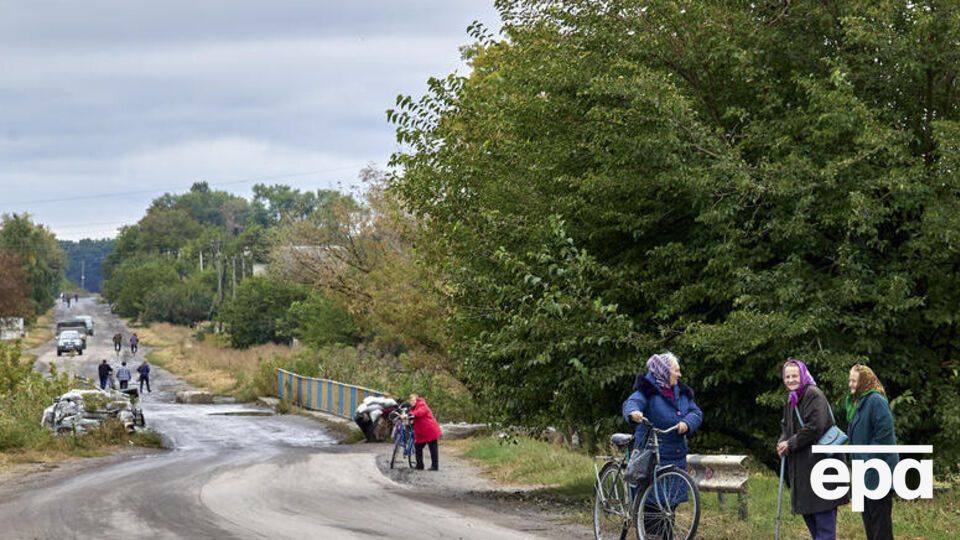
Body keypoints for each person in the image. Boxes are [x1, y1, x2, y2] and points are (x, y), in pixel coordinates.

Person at [622, 352, 702, 534]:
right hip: (652, 456)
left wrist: (687, 423)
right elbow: (632, 403)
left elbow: (696, 412)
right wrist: (633, 413)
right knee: (652, 507)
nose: (679, 374)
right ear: (664, 371)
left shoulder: (681, 392)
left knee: (668, 509)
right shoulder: (646, 389)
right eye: (676, 370)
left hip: (675, 457)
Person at [776, 359, 848, 540]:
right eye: (787, 376)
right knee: (812, 521)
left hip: (821, 467)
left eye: (795, 376)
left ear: (803, 375)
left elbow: (816, 426)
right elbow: (786, 426)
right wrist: (782, 442)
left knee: (824, 523)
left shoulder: (813, 394)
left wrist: (790, 443)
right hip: (804, 469)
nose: (791, 380)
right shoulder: (792, 398)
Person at [846, 364, 897, 540]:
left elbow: (884, 436)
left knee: (880, 526)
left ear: (864, 381)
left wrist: (865, 459)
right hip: (864, 472)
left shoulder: (876, 401)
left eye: (854, 380)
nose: (851, 384)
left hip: (877, 473)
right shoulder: (860, 402)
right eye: (850, 380)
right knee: (869, 523)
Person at [408, 393, 442, 470]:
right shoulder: (413, 408)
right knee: (418, 447)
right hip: (422, 433)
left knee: (433, 449)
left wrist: (411, 414)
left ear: (417, 399)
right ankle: (420, 465)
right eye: (410, 400)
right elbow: (413, 416)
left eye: (413, 400)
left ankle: (435, 466)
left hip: (430, 431)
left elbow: (420, 413)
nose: (412, 402)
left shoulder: (422, 404)